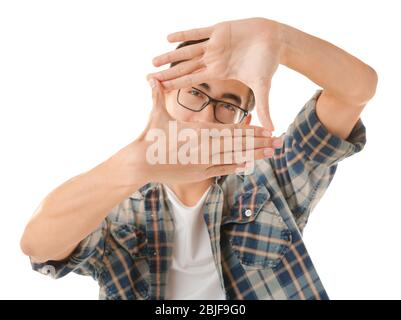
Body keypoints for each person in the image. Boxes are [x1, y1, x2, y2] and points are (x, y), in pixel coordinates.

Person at [20, 17, 377, 300]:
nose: (207, 118)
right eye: (195, 93)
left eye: (227, 105)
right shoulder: (118, 199)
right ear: (163, 95)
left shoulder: (272, 174)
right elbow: (38, 246)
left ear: (244, 122)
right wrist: (134, 164)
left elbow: (357, 90)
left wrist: (278, 39)